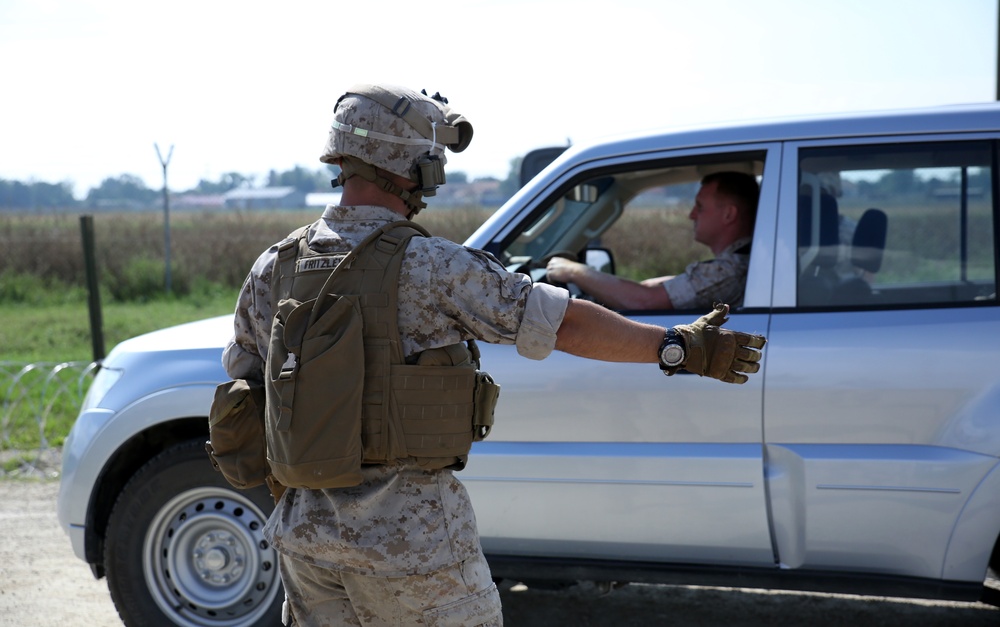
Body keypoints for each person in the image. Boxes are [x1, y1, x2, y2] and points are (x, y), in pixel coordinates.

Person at [221, 83, 766, 627]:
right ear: (415, 166)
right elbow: (563, 321)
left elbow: (245, 387)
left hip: (304, 541)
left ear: (343, 157)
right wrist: (676, 348)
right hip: (411, 546)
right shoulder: (431, 265)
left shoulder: (276, 265)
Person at [545, 171, 760, 310]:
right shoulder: (737, 265)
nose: (692, 215)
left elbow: (644, 301)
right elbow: (650, 289)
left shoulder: (729, 270)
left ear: (729, 215)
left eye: (700, 207)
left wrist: (574, 271)